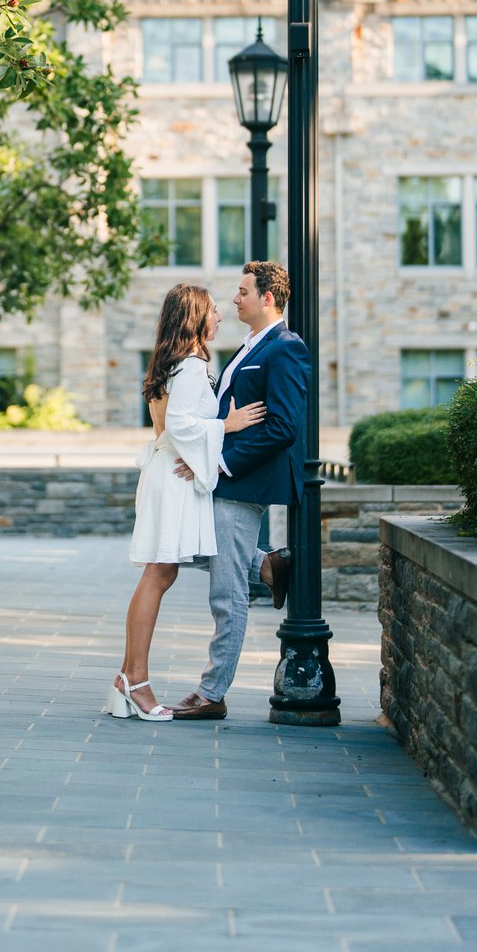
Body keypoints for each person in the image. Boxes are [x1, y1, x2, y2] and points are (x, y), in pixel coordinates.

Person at [106, 284, 265, 722]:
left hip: (165, 471)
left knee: (159, 573)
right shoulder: (192, 365)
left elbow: (171, 425)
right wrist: (227, 425)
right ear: (195, 316)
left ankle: (127, 679)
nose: (220, 317)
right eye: (213, 311)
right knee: (158, 574)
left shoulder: (170, 361)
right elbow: (180, 425)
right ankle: (135, 681)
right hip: (173, 477)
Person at [171, 260, 310, 721]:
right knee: (191, 548)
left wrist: (222, 461)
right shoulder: (250, 345)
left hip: (242, 481)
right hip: (221, 478)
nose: (235, 298)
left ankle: (212, 693)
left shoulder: (286, 348)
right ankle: (267, 564)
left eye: (243, 291)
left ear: (267, 298)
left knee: (226, 595)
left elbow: (284, 427)